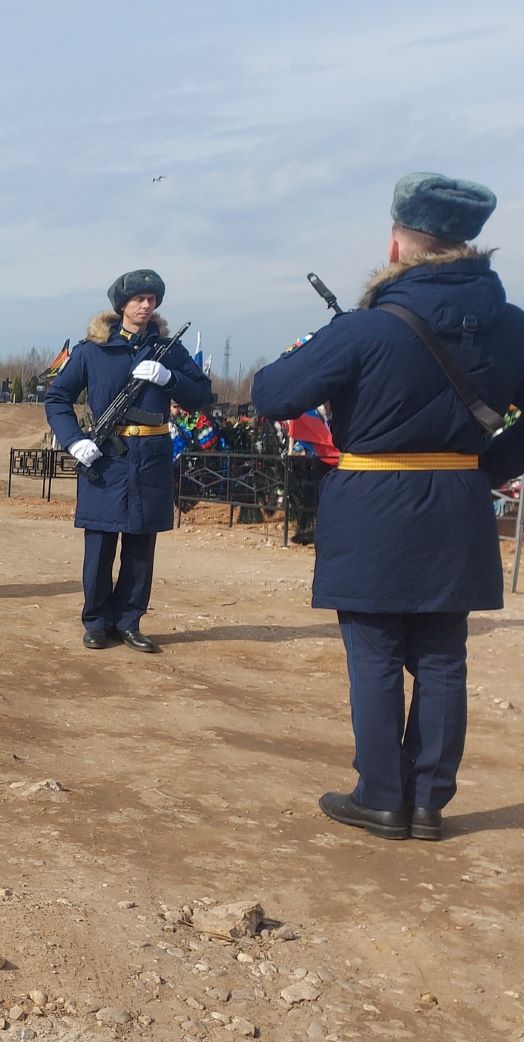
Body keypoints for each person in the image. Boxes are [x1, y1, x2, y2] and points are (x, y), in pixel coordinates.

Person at [253, 172, 524, 842]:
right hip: (458, 505)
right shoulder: (514, 326)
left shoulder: (368, 328)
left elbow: (269, 396)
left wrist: (324, 351)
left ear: (398, 243)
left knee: (374, 654)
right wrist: (485, 469)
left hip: (374, 504)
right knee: (441, 656)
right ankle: (429, 802)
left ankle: (379, 796)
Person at [44, 270, 213, 653]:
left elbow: (202, 398)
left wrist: (169, 379)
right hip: (105, 458)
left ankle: (129, 621)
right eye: (138, 299)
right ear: (121, 305)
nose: (146, 305)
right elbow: (57, 398)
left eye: (152, 299)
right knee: (100, 545)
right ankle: (97, 621)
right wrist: (73, 441)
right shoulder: (92, 351)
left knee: (141, 546)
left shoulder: (168, 351)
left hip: (151, 459)